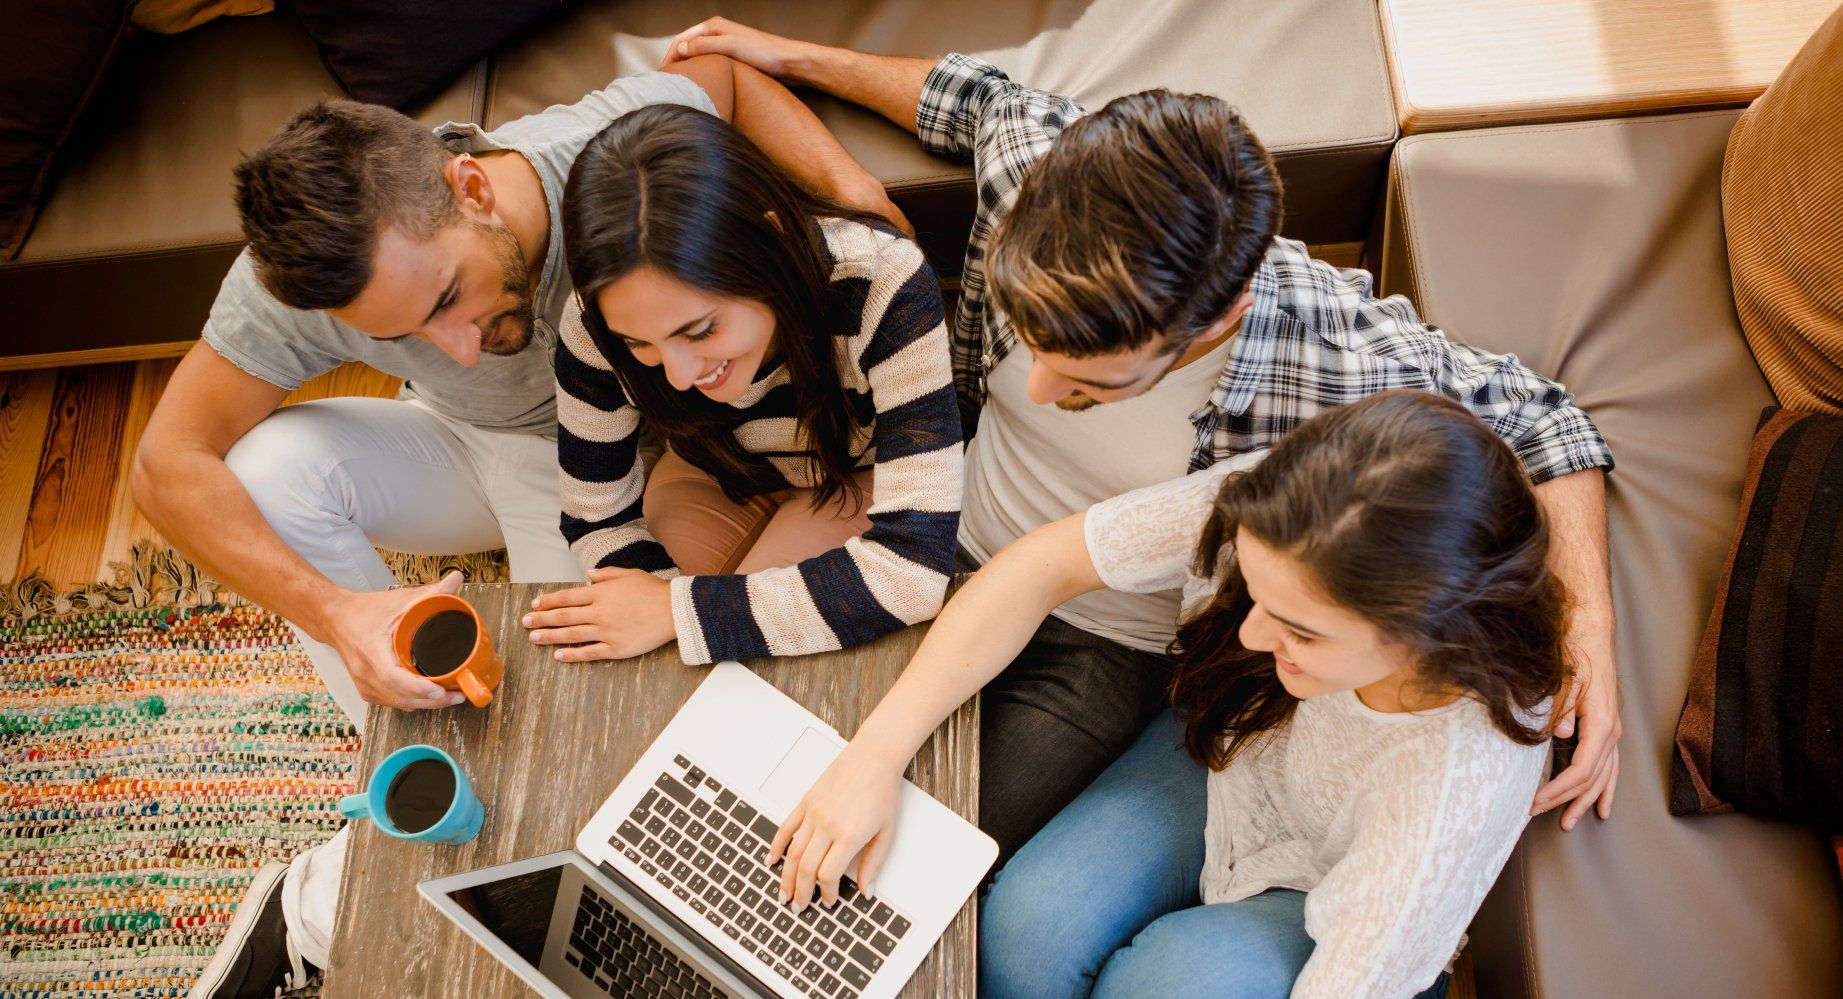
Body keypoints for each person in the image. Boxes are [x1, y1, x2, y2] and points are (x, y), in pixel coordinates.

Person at [658, 21, 1621, 858]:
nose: (1034, 388)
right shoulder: (1042, 165)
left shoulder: (1333, 345)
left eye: (1084, 384)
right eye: (1033, 347)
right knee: (746, 771)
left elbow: (1543, 417)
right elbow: (971, 98)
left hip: (1105, 644)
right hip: (934, 521)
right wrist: (780, 54)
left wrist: (1589, 630)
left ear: (1218, 315)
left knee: (917, 843)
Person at [142, 59, 905, 999]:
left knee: (567, 739)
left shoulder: (607, 152)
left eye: (451, 295)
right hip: (474, 450)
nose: (453, 346)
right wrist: (343, 612)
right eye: (399, 334)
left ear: (469, 186)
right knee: (267, 470)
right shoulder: (312, 268)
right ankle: (410, 778)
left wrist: (849, 184)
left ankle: (322, 898)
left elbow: (720, 73)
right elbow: (165, 465)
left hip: (622, 464)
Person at [769, 390, 1568, 999]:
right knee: (1028, 928)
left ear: (1429, 634)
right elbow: (1040, 565)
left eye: (1298, 629)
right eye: (1254, 595)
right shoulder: (1306, 506)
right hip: (1238, 755)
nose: (1253, 635)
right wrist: (874, 756)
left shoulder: (1447, 797)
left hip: (1328, 896)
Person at [520, 105, 961, 663]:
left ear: (769, 243)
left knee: (738, 650)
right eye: (640, 344)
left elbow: (911, 570)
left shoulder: (882, 282)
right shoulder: (594, 322)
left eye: (701, 329)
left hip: (858, 476)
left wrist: (674, 610)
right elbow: (596, 514)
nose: (679, 376)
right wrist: (661, 610)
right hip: (713, 472)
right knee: (643, 645)